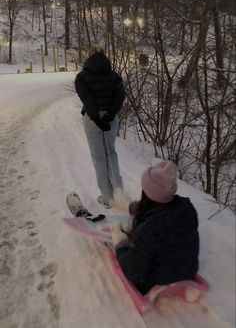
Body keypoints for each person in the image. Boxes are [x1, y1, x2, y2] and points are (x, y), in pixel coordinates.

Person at [111, 161, 199, 294]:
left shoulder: (148, 229)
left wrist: (120, 244)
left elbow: (134, 272)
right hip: (188, 270)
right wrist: (130, 206)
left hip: (156, 279)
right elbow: (158, 208)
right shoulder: (187, 210)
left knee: (129, 245)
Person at [74, 45, 128, 209]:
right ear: (104, 56)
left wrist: (97, 118)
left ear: (89, 57)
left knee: (98, 156)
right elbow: (119, 96)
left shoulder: (81, 77)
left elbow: (87, 98)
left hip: (92, 119)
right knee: (110, 152)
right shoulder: (114, 76)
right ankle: (119, 193)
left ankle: (106, 196)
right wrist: (110, 115)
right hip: (111, 118)